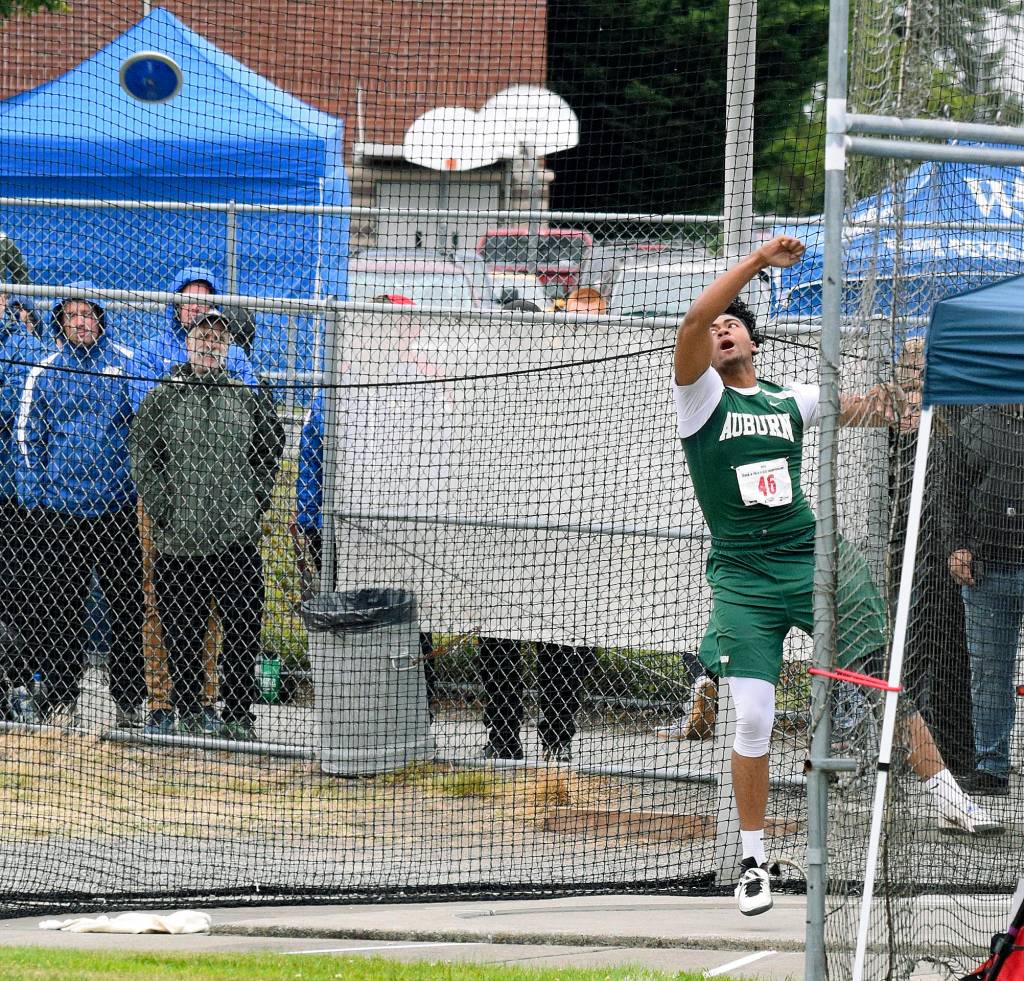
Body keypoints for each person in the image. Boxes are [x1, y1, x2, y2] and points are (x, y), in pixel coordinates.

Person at [672, 236, 999, 916]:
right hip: (744, 573)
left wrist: (911, 387)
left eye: (737, 323)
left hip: (811, 558)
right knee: (756, 715)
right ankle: (753, 859)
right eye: (719, 324)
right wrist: (758, 262)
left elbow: (870, 405)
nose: (724, 328)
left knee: (880, 676)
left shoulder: (790, 400)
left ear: (755, 344)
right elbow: (690, 323)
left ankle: (947, 794)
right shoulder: (701, 401)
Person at [130, 310, 284, 740]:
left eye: (219, 337)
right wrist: (164, 508)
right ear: (188, 341)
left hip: (236, 540)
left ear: (229, 346)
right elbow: (143, 452)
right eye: (203, 335)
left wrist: (254, 503)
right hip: (180, 542)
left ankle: (237, 716)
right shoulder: (164, 396)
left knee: (242, 627)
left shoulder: (246, 396)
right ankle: (189, 712)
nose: (210, 343)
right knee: (182, 630)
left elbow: (270, 448)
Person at [16, 286, 147, 725]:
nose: (79, 322)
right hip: (61, 512)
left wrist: (137, 484)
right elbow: (28, 438)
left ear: (100, 318)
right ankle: (59, 700)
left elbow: (145, 427)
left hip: (116, 508)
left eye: (87, 314)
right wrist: (35, 499)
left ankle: (129, 701)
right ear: (60, 323)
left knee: (127, 604)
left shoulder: (127, 364)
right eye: (70, 315)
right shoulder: (44, 372)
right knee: (59, 606)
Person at [941, 400, 1024, 797]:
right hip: (989, 569)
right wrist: (956, 545)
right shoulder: (976, 424)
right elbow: (952, 491)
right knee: (990, 675)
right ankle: (991, 769)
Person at [0, 294, 55, 717]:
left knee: (21, 595)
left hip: (15, 496)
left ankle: (22, 686)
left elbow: (23, 410)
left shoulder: (27, 347)